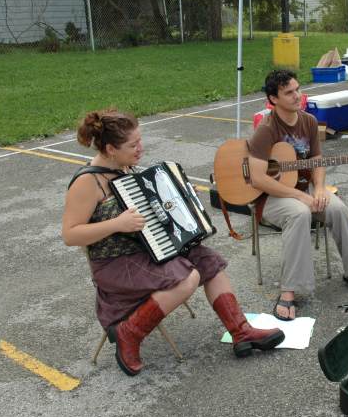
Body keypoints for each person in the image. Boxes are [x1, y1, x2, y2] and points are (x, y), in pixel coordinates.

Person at [62, 109, 284, 376]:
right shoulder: (88, 182)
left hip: (147, 250)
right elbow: (70, 235)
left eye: (140, 141)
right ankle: (128, 333)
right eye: (133, 145)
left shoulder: (126, 168)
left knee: (207, 260)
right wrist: (117, 224)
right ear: (110, 148)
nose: (140, 149)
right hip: (114, 264)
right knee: (187, 278)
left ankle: (241, 331)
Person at [247, 70, 348, 321]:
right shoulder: (266, 129)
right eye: (289, 92)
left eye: (297, 89)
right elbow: (258, 178)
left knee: (338, 207)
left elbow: (316, 160)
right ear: (273, 99)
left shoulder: (308, 121)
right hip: (270, 196)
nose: (297, 95)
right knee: (299, 214)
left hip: (303, 189)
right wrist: (301, 198)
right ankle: (289, 290)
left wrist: (319, 189)